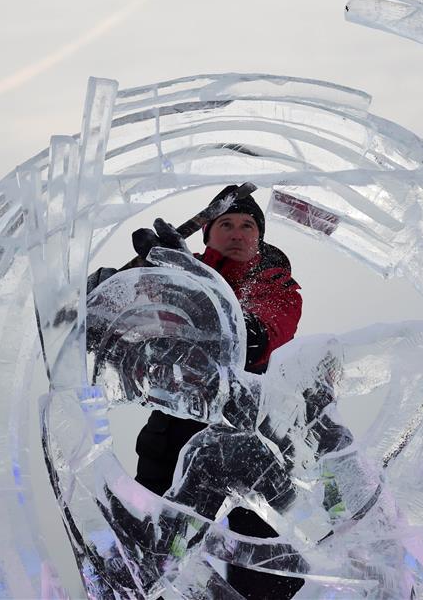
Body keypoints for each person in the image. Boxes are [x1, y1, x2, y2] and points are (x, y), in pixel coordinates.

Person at [129, 185, 305, 599]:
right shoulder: (167, 274)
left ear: (259, 237)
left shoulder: (276, 285)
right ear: (208, 235)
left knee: (262, 562)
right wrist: (113, 287)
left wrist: (190, 279)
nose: (238, 234)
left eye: (247, 226)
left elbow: (250, 342)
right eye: (226, 224)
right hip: (173, 427)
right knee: (149, 549)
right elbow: (135, 328)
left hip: (249, 435)